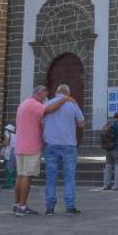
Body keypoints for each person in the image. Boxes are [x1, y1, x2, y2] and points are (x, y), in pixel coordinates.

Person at [13, 85, 76, 216]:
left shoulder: (24, 103)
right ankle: (22, 206)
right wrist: (65, 99)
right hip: (31, 145)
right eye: (45, 95)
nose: (45, 99)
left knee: (20, 175)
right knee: (27, 175)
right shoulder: (34, 104)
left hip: (20, 145)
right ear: (39, 93)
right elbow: (50, 109)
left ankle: (17, 204)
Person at [42, 84, 85, 215]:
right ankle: (70, 206)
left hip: (51, 144)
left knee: (50, 178)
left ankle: (50, 207)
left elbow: (41, 123)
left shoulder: (47, 104)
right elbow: (81, 123)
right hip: (68, 144)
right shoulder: (72, 104)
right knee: (69, 177)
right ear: (68, 93)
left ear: (56, 92)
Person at [102, 111, 118, 191]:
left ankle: (106, 185)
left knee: (108, 167)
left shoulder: (109, 123)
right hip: (117, 147)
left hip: (108, 148)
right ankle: (117, 185)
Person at [2, 124, 17, 189]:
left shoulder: (8, 134)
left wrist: (3, 143)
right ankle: (15, 182)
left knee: (9, 167)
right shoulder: (16, 135)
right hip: (16, 151)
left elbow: (6, 143)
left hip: (10, 151)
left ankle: (9, 183)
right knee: (15, 168)